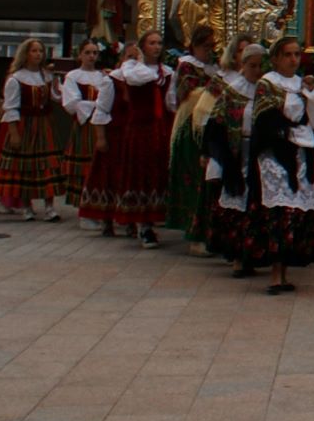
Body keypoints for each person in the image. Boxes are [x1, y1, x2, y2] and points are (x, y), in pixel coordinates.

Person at [244, 37, 314, 294]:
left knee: (296, 212)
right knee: (278, 211)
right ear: (276, 58)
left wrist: (312, 96)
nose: (293, 60)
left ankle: (285, 271)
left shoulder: (303, 85)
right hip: (276, 154)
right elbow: (265, 119)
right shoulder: (268, 83)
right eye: (288, 55)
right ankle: (274, 273)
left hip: (302, 152)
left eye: (297, 54)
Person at [98, 34, 177, 247]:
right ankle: (143, 225)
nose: (157, 47)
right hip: (139, 129)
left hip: (159, 129)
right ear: (143, 47)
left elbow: (171, 103)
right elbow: (137, 80)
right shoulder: (131, 70)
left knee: (157, 173)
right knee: (140, 174)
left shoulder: (167, 73)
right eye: (152, 43)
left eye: (159, 43)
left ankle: (152, 219)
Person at [204, 44, 265, 271]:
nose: (257, 71)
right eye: (252, 66)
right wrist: (212, 152)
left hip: (259, 152)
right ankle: (237, 255)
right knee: (236, 202)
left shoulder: (268, 91)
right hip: (236, 152)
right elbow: (216, 122)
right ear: (244, 65)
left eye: (260, 66)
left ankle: (254, 253)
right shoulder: (233, 91)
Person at [0, 39, 67, 222]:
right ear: (26, 54)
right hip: (25, 124)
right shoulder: (16, 78)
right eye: (34, 51)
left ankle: (50, 207)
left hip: (44, 124)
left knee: (48, 165)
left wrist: (61, 82)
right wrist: (14, 133)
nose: (38, 54)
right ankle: (27, 207)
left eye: (40, 51)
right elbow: (10, 107)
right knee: (25, 166)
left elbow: (57, 97)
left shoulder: (47, 76)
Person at [167, 28, 221, 253]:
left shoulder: (216, 67)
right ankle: (195, 233)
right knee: (195, 179)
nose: (209, 51)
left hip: (210, 125)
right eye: (205, 47)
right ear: (195, 46)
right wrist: (215, 90)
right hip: (191, 127)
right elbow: (188, 94)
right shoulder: (187, 66)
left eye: (212, 47)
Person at [60, 42, 113, 215]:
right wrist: (98, 105)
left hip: (103, 124)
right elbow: (72, 104)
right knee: (84, 166)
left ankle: (98, 204)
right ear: (80, 55)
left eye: (95, 53)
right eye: (88, 52)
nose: (91, 56)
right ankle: (83, 205)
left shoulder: (104, 76)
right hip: (85, 125)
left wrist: (98, 106)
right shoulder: (73, 76)